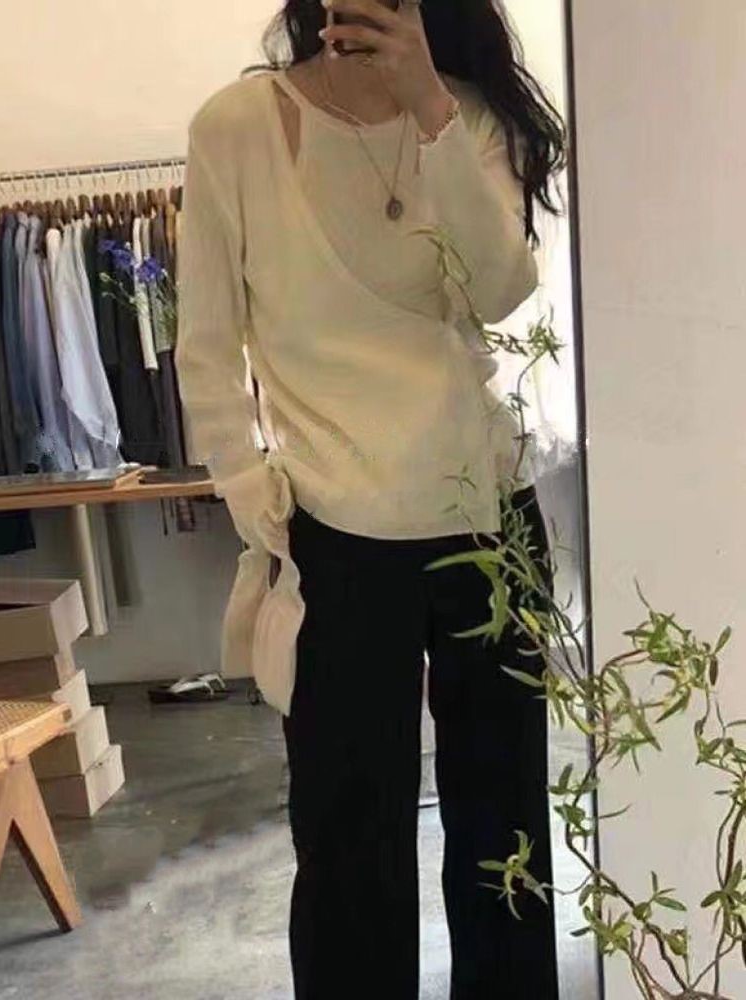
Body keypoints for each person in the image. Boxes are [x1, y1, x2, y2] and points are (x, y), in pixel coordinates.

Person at [175, 1, 566, 997]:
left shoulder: (469, 115)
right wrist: (254, 496)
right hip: (333, 528)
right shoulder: (238, 128)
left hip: (487, 514)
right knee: (349, 842)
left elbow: (501, 289)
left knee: (505, 836)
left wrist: (430, 107)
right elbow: (207, 344)